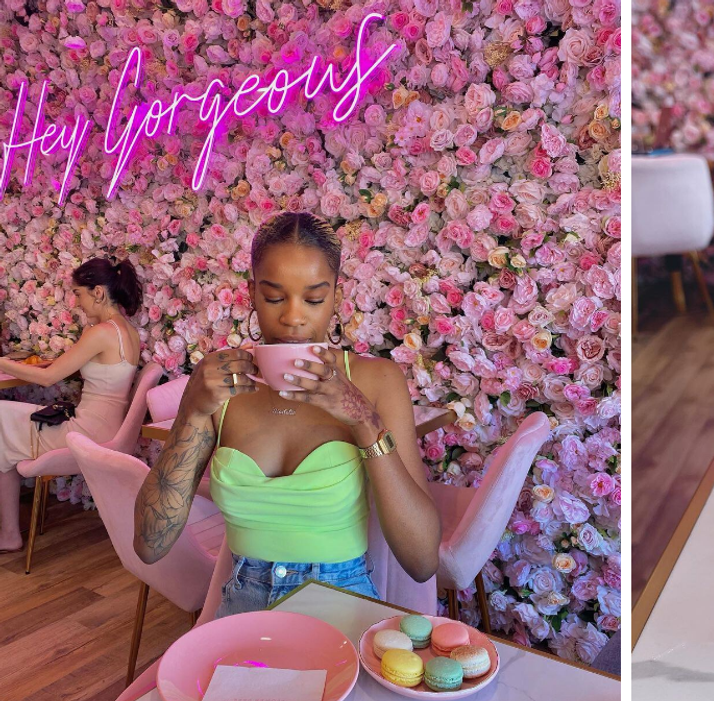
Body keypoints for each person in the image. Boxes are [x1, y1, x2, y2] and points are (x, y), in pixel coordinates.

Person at [133, 212, 440, 617]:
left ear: (336, 296)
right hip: (242, 611)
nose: (293, 318)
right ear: (252, 293)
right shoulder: (221, 386)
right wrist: (190, 413)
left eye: (314, 299)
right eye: (274, 297)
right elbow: (150, 545)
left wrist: (364, 421)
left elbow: (422, 561)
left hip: (344, 610)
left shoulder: (377, 381)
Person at [0, 258, 143, 552]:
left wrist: (2, 364)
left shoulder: (101, 332)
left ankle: (9, 533)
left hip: (86, 434)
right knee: (4, 420)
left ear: (99, 293)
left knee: (1, 419)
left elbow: (49, 377)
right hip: (104, 429)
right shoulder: (127, 331)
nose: (76, 302)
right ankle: (9, 531)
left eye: (78, 293)